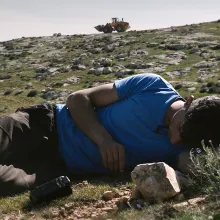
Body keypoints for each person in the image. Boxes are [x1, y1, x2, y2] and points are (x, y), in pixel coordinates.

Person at [0, 73, 219, 197]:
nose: (176, 141)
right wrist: (104, 140)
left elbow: (204, 167)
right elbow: (78, 98)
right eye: (181, 129)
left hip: (57, 167)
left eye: (186, 139)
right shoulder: (153, 86)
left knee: (6, 185)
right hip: (45, 123)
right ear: (188, 102)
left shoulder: (186, 149)